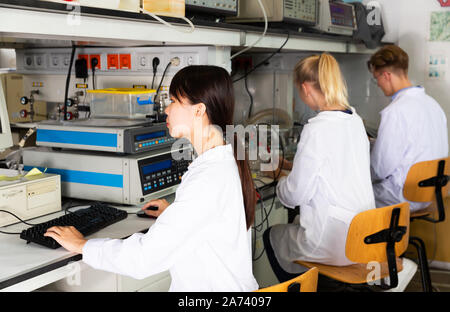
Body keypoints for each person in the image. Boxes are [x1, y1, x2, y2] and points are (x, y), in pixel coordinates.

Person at [44, 65, 259, 292]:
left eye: (174, 100)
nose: (167, 109)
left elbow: (145, 258)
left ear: (198, 110)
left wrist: (83, 246)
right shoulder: (224, 159)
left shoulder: (208, 178)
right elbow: (208, 220)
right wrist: (174, 214)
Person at [263, 53, 376, 283]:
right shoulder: (354, 120)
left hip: (335, 241)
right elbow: (336, 168)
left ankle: (313, 286)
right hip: (365, 234)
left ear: (305, 88)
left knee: (271, 236)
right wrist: (289, 166)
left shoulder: (317, 128)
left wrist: (279, 179)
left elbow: (295, 195)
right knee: (296, 227)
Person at [368, 45, 448, 212]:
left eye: (377, 79)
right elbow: (417, 145)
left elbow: (380, 170)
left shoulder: (395, 111)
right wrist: (377, 143)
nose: (379, 85)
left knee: (354, 198)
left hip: (403, 195)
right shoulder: (432, 104)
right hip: (433, 193)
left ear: (386, 75)